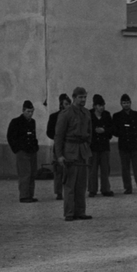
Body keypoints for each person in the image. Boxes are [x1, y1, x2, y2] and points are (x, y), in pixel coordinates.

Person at [54, 87, 94, 221]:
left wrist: (87, 147)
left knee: (81, 184)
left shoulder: (86, 113)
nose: (83, 100)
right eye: (80, 97)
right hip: (70, 152)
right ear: (74, 97)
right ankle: (69, 213)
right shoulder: (66, 114)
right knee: (70, 184)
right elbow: (58, 136)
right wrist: (59, 155)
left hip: (83, 151)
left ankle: (80, 211)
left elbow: (89, 132)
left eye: (85, 97)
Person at [113, 95, 137, 195]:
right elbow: (115, 131)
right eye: (124, 103)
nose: (126, 105)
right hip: (124, 145)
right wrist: (123, 132)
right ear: (121, 104)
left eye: (127, 103)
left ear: (130, 103)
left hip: (135, 145)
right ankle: (128, 188)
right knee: (125, 169)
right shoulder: (117, 116)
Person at [6, 100, 40, 202]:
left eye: (32, 111)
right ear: (23, 110)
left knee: (32, 173)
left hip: (32, 151)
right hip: (22, 151)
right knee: (25, 174)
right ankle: (24, 196)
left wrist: (35, 146)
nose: (30, 114)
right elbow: (10, 136)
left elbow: (33, 136)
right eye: (28, 111)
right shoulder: (16, 122)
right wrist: (17, 149)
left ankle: (30, 194)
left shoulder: (32, 122)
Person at [87, 95, 114, 197]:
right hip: (93, 146)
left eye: (103, 105)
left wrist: (104, 130)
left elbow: (112, 129)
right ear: (94, 106)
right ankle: (92, 189)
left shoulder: (107, 115)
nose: (102, 108)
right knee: (92, 169)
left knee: (105, 169)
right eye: (99, 105)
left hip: (104, 146)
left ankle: (105, 189)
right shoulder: (89, 115)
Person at [46, 93, 71, 199]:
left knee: (69, 170)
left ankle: (69, 191)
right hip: (59, 146)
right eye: (66, 104)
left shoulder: (72, 116)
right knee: (58, 170)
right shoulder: (54, 117)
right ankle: (59, 192)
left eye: (69, 104)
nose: (68, 106)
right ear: (61, 104)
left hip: (69, 146)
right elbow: (49, 132)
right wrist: (58, 137)